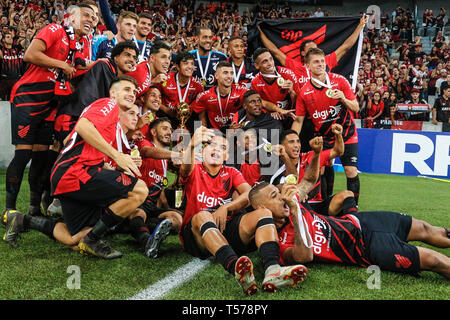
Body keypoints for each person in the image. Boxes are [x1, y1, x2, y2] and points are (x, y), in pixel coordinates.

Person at [3, 77, 148, 258]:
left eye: (134, 91)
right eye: (126, 89)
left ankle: (22, 220)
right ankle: (93, 239)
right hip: (77, 172)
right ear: (113, 93)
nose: (132, 94)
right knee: (140, 190)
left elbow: (68, 141)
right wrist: (117, 156)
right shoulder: (109, 105)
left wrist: (112, 166)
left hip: (67, 175)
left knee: (76, 238)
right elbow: (82, 126)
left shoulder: (106, 120)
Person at [178, 126, 308, 295]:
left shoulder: (231, 172)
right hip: (196, 237)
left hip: (224, 229)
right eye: (212, 145)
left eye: (223, 147)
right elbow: (184, 169)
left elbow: (248, 194)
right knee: (203, 216)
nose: (217, 149)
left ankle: (273, 269)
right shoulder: (195, 168)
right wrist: (192, 146)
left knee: (264, 213)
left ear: (226, 156)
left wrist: (226, 207)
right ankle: (234, 267)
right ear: (203, 150)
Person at [250, 182, 450, 280]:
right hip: (366, 248)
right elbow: (304, 256)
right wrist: (295, 213)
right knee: (435, 261)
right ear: (262, 209)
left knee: (426, 228)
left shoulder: (294, 202)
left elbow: (308, 180)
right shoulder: (278, 241)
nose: (282, 198)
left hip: (363, 221)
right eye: (274, 196)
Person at [4, 4, 95, 216]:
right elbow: (30, 54)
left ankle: (34, 209)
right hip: (28, 97)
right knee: (23, 154)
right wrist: (62, 65)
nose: (92, 20)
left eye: (95, 17)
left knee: (41, 158)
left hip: (51, 103)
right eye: (87, 15)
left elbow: (77, 71)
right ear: (71, 17)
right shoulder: (55, 29)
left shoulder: (82, 44)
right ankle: (9, 211)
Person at [292, 47, 361, 205]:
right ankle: (325, 203)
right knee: (321, 170)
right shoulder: (304, 92)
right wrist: (291, 138)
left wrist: (343, 98)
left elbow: (355, 108)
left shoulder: (340, 81)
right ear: (307, 66)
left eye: (322, 61)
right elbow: (299, 121)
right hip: (324, 137)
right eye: (316, 62)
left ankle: (354, 208)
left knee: (350, 171)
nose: (320, 64)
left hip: (347, 134)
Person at [55, 40, 139, 146]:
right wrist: (81, 127)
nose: (131, 60)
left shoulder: (116, 77)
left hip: (82, 122)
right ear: (116, 58)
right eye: (127, 55)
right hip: (73, 120)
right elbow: (88, 98)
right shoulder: (104, 66)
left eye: (135, 58)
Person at [257, 14, 368, 88]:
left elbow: (346, 47)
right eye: (311, 49)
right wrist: (260, 31)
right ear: (303, 53)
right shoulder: (295, 66)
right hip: (303, 110)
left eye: (316, 48)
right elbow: (274, 51)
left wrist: (360, 26)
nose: (314, 51)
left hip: (324, 106)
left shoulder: (325, 61)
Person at [130, 117, 184, 258]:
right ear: (153, 132)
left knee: (177, 219)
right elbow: (148, 152)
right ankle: (146, 241)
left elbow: (159, 188)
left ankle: (151, 228)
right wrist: (176, 154)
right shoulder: (143, 143)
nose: (169, 132)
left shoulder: (164, 161)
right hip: (135, 202)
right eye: (165, 128)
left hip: (151, 206)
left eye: (171, 130)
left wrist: (167, 208)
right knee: (138, 213)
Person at [192, 61, 248, 130]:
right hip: (214, 134)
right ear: (216, 76)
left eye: (231, 73)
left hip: (236, 132)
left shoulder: (242, 92)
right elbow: (202, 122)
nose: (229, 76)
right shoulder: (205, 96)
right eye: (225, 73)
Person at [251, 48, 299, 124]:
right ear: (257, 66)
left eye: (271, 59)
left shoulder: (288, 74)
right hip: (273, 117)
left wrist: (292, 92)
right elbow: (261, 104)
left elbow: (300, 104)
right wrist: (272, 113)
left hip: (292, 115)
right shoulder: (255, 82)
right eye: (265, 61)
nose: (270, 63)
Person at [156, 51, 203, 128]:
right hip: (166, 117)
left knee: (188, 133)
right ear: (177, 67)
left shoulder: (198, 85)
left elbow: (201, 109)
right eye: (185, 63)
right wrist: (166, 110)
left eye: (192, 64)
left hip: (187, 120)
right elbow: (153, 98)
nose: (190, 67)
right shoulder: (165, 80)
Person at [189, 26, 228, 90]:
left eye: (210, 37)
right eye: (204, 37)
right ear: (197, 39)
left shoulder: (221, 57)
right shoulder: (189, 56)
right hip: (192, 96)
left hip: (213, 98)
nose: (208, 40)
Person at [0, 31, 25, 101]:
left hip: (15, 79)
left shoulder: (16, 49)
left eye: (11, 37)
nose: (10, 39)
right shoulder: (1, 50)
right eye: (8, 37)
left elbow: (25, 42)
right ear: (3, 40)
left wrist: (29, 34)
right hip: (3, 80)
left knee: (14, 100)